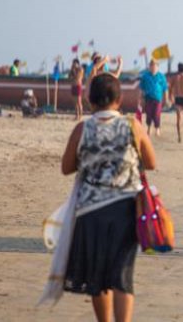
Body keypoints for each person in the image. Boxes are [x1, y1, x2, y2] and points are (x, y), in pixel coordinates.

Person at [60, 73, 156, 322]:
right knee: (122, 276)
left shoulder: (83, 128)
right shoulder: (132, 125)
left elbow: (66, 167)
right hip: (126, 210)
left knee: (98, 278)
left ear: (90, 101)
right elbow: (152, 162)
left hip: (90, 212)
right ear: (120, 99)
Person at [138, 58, 168, 136]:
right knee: (149, 114)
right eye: (152, 66)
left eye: (155, 66)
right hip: (148, 98)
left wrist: (167, 99)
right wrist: (140, 98)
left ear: (157, 67)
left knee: (156, 114)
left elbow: (165, 89)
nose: (153, 67)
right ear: (149, 67)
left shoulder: (161, 76)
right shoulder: (145, 76)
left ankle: (157, 128)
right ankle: (148, 128)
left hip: (158, 98)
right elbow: (141, 88)